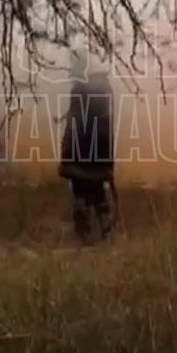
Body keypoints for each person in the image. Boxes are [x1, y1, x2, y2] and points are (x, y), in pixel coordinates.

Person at [58, 55, 115, 242]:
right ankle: (104, 230)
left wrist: (66, 155)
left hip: (80, 154)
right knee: (98, 193)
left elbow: (74, 126)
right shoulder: (105, 91)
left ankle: (86, 235)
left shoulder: (80, 91)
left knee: (81, 195)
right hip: (100, 154)